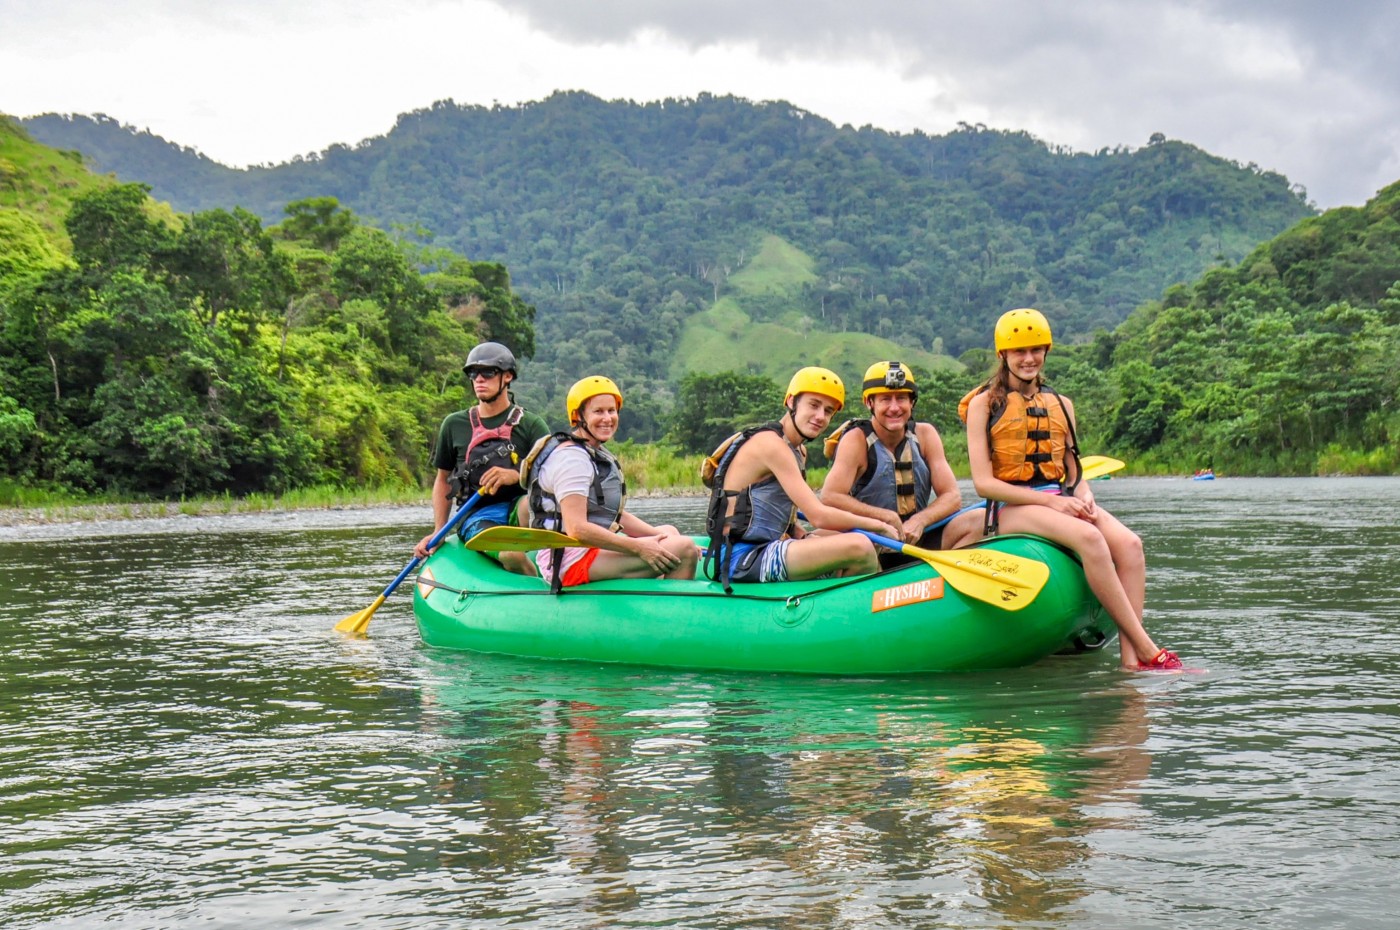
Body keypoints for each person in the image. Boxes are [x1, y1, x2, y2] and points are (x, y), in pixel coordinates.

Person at [959, 309, 1183, 671]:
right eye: (1019, 351)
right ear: (1003, 356)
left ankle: (1131, 663)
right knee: (1091, 540)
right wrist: (1055, 506)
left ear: (1046, 351)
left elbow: (1073, 472)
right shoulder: (984, 405)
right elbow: (984, 483)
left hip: (1058, 498)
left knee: (1130, 545)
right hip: (1011, 506)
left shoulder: (1062, 404)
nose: (1028, 359)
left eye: (1035, 350)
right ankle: (1147, 648)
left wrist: (1083, 494)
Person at [702, 367, 902, 590]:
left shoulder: (798, 451)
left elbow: (784, 514)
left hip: (768, 547)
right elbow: (818, 515)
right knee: (861, 545)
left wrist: (803, 535)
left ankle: (837, 595)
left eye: (828, 411)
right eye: (813, 405)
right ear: (791, 402)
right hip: (740, 558)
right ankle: (839, 609)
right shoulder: (771, 445)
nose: (820, 417)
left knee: (852, 533)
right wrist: (880, 525)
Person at [521, 376, 698, 589]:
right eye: (598, 411)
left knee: (669, 531)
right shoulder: (572, 460)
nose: (607, 418)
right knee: (684, 549)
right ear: (578, 416)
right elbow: (577, 529)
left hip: (589, 551)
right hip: (568, 562)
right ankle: (669, 618)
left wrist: (658, 535)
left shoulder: (592, 452)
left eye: (611, 410)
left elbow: (612, 514)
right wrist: (639, 547)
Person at [820, 361, 984, 568]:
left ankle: (938, 580)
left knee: (979, 519)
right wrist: (885, 518)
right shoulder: (856, 440)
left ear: (912, 403)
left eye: (902, 399)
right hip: (873, 544)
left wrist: (920, 520)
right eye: (885, 399)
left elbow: (952, 496)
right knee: (827, 538)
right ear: (869, 403)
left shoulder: (925, 434)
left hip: (918, 541)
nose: (895, 407)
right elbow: (830, 496)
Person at [414, 341, 549, 575]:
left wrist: (516, 476)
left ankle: (548, 558)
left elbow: (554, 477)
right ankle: (530, 578)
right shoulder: (454, 424)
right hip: (477, 515)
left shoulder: (531, 425)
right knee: (511, 554)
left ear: (507, 377)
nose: (479, 379)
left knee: (531, 504)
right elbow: (443, 479)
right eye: (473, 373)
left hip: (520, 507)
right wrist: (439, 531)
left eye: (488, 373)